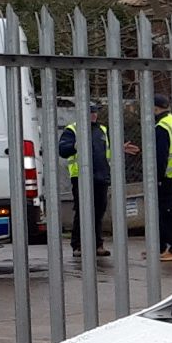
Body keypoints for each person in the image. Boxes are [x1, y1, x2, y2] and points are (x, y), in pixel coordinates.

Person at [58, 103, 112, 259]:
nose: (94, 115)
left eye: (95, 112)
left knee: (99, 211)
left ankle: (97, 244)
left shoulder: (102, 130)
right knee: (82, 211)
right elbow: (63, 150)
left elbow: (106, 150)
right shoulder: (73, 130)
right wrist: (75, 145)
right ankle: (78, 245)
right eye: (91, 112)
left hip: (101, 177)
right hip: (81, 177)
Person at [153, 93, 172, 262]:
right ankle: (162, 247)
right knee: (165, 211)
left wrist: (157, 177)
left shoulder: (161, 126)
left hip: (166, 176)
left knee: (165, 212)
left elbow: (160, 155)